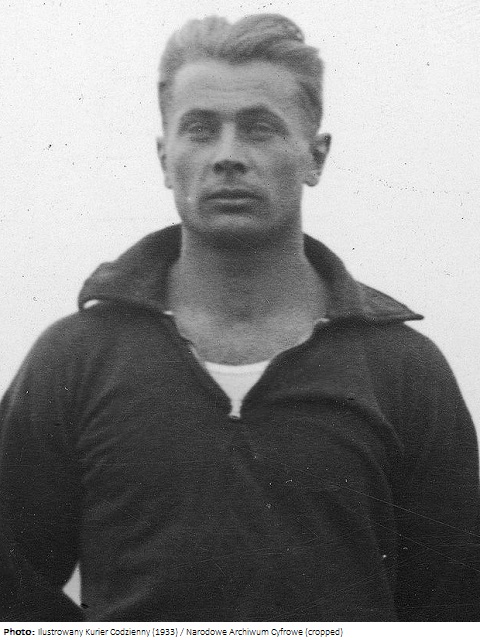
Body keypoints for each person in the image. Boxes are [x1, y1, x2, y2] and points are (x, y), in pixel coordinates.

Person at [1, 13, 479, 623]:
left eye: (259, 128)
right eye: (200, 130)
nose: (228, 156)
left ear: (316, 156)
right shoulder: (75, 359)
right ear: (164, 157)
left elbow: (454, 610)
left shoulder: (403, 371)